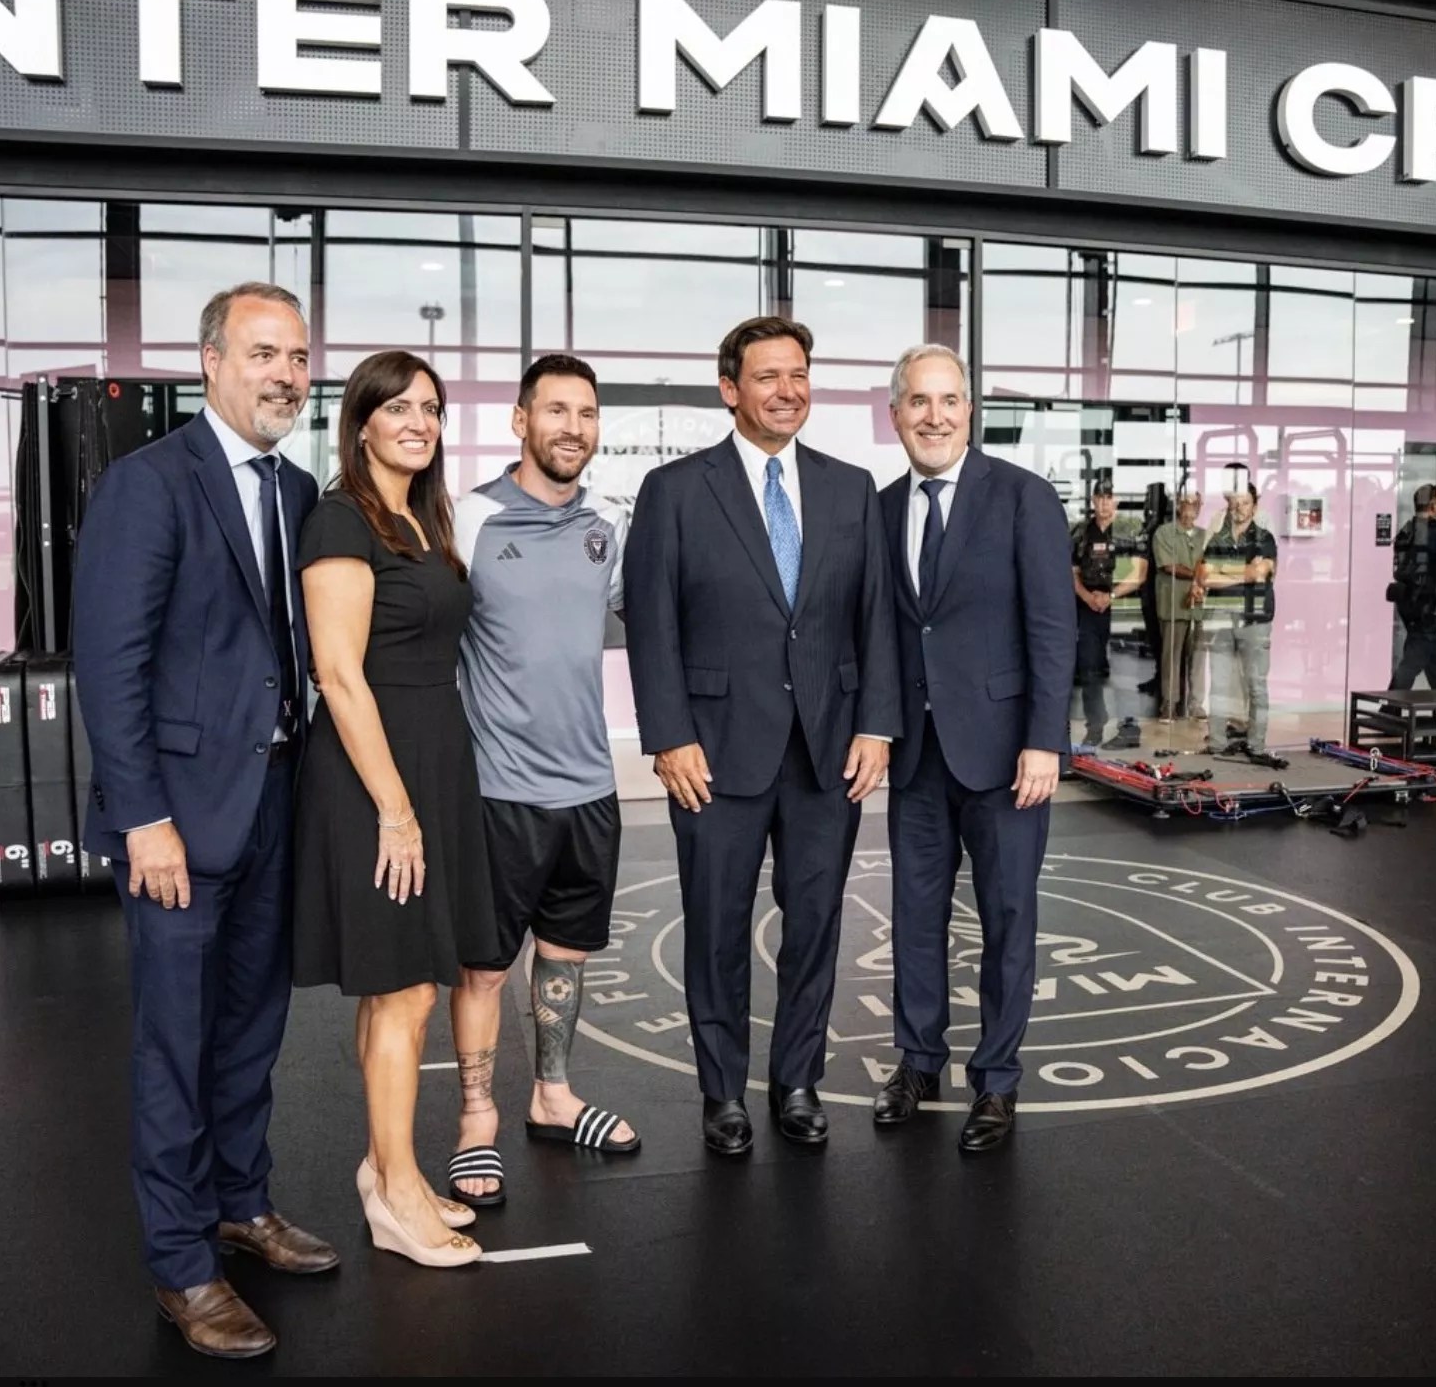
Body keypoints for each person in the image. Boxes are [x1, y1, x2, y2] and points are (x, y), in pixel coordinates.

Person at [74, 282, 336, 1359]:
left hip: (275, 801)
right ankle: (182, 1265)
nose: (286, 375)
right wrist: (142, 818)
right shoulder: (149, 484)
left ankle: (241, 1202)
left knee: (250, 1029)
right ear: (212, 360)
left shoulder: (298, 486)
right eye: (265, 353)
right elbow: (111, 662)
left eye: (299, 358)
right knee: (175, 1045)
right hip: (179, 819)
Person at [622, 316, 900, 1156]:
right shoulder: (675, 491)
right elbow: (652, 622)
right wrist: (669, 736)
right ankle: (722, 1093)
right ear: (729, 388)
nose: (789, 391)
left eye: (799, 375)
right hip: (712, 749)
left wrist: (877, 725)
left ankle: (798, 1081)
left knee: (815, 922)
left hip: (827, 750)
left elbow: (875, 618)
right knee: (715, 924)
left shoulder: (852, 488)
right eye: (769, 376)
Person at [291, 349, 495, 1270]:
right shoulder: (342, 518)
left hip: (430, 763)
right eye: (399, 407)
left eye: (433, 408)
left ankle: (386, 1175)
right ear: (360, 421)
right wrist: (395, 811)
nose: (420, 421)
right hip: (377, 777)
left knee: (401, 983)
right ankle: (398, 1192)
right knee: (407, 986)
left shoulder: (421, 518)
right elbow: (338, 675)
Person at [445, 354, 639, 1207]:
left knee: (565, 956)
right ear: (520, 420)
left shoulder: (609, 519)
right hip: (496, 789)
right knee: (485, 968)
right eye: (555, 410)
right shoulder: (472, 518)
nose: (573, 427)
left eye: (586, 413)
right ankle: (475, 1120)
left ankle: (552, 1096)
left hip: (590, 787)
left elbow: (646, 616)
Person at [871, 344, 1073, 1153]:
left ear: (970, 410)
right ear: (896, 415)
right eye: (919, 401)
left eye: (949, 400)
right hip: (917, 756)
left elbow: (1053, 631)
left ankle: (997, 1080)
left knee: (1007, 919)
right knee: (914, 920)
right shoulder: (882, 509)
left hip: (1005, 757)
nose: (935, 415)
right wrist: (878, 730)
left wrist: (1045, 741)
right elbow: (886, 633)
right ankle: (919, 1062)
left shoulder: (1023, 498)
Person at [1198, 482, 1279, 757]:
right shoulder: (1218, 540)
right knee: (1219, 684)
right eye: (1235, 503)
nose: (1239, 508)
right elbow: (1205, 577)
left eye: (1245, 503)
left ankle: (1256, 746)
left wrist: (1226, 571)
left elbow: (1261, 574)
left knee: (1256, 684)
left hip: (1254, 619)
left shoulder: (1265, 539)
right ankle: (1216, 743)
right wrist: (1244, 572)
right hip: (1221, 617)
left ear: (1254, 506)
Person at [1121, 488, 1208, 722]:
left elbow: (1211, 565)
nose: (1190, 506)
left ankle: (1196, 705)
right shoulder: (1164, 533)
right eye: (1186, 502)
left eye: (1195, 502)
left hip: (1199, 606)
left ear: (1200, 506)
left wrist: (1202, 577)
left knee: (1198, 657)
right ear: (1178, 505)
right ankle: (1169, 704)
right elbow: (1169, 566)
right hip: (1173, 605)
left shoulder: (1205, 535)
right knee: (1171, 657)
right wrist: (1197, 575)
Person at [1069, 482, 1144, 750]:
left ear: (1117, 501)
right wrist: (1089, 597)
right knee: (1090, 669)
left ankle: (1129, 728)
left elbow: (1139, 574)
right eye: (1099, 497)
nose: (1103, 503)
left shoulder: (1131, 529)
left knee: (1123, 672)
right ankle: (1095, 727)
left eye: (1109, 497)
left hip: (1123, 607)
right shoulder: (1080, 531)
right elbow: (1072, 572)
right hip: (1088, 607)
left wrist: (1110, 597)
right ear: (1092, 500)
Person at [1389, 483, 1436, 690]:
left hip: (1408, 603)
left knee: (1434, 658)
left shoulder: (1407, 530)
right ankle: (1391, 706)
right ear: (1433, 505)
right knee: (1413, 659)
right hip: (1428, 604)